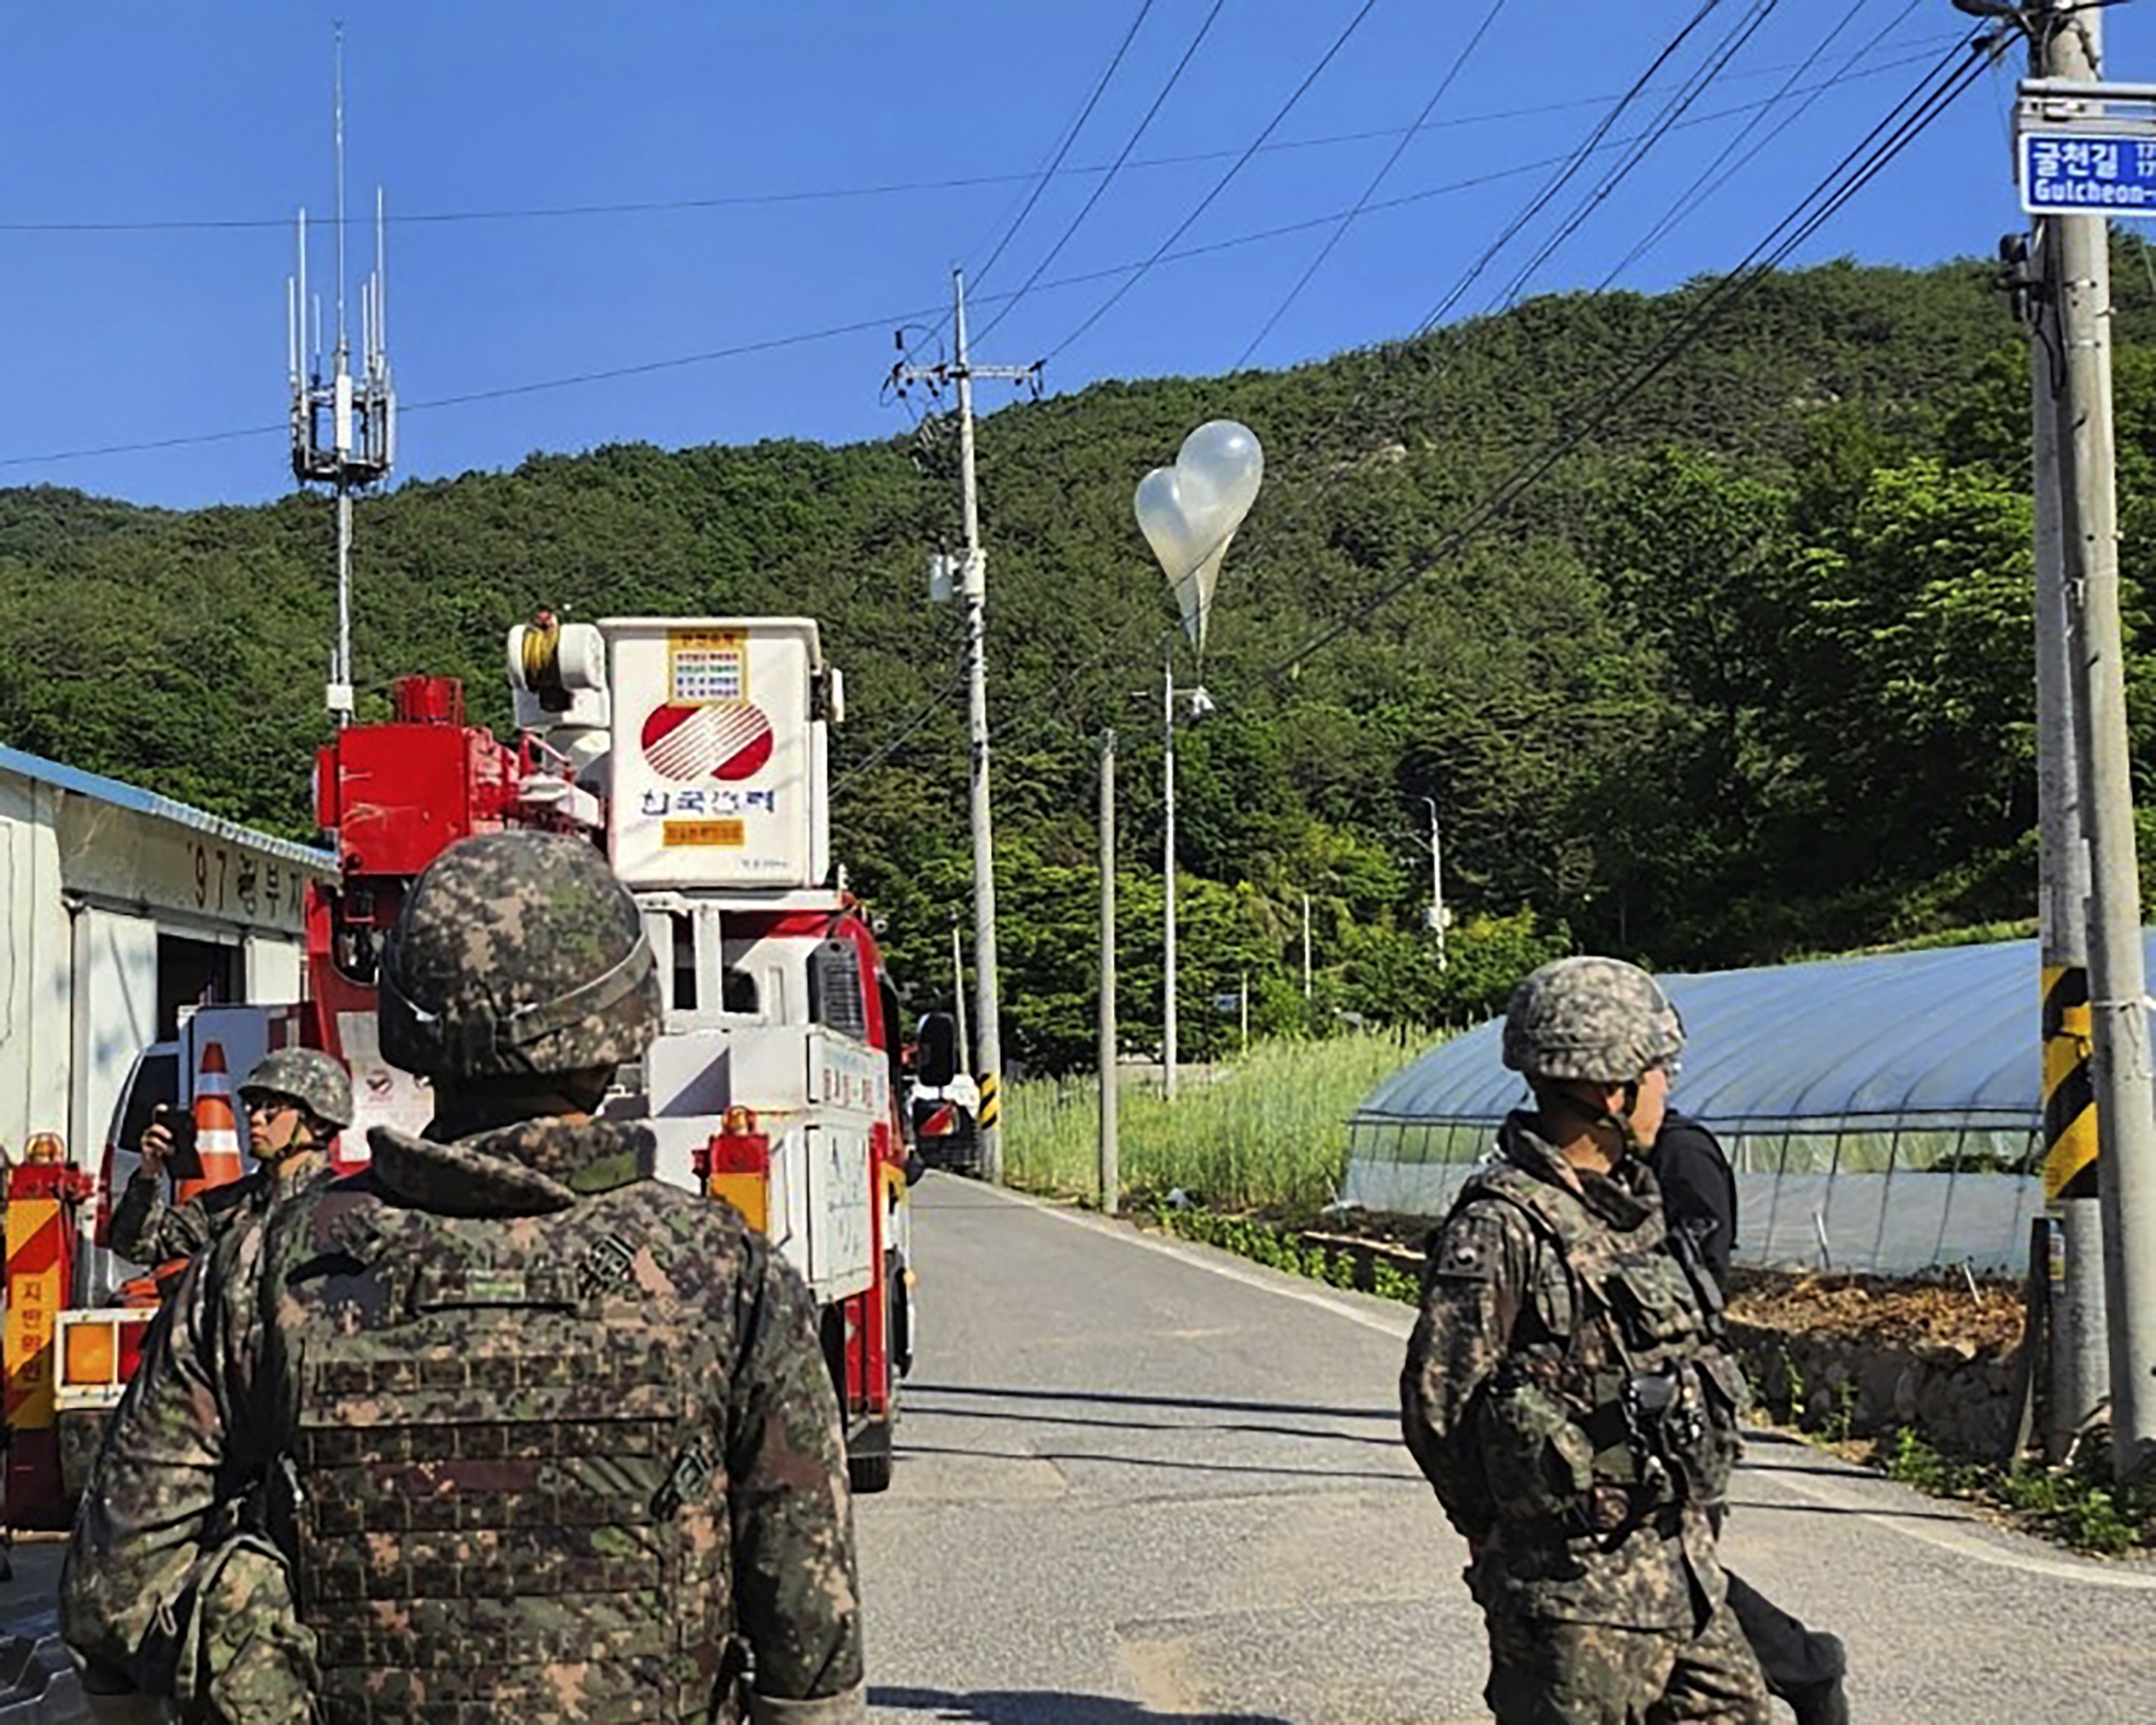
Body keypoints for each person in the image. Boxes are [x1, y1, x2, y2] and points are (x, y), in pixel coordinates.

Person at [63, 831, 866, 1724]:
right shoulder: (727, 1271)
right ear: (625, 1023)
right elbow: (809, 1627)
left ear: (410, 1020)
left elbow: (115, 1584)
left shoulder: (264, 1263)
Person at [1401, 954, 1769, 1724]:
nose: (1668, 1086)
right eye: (1658, 1069)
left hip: (1679, 1574)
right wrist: (1511, 1542)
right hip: (1573, 1602)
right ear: (1610, 1088)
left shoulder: (1633, 1206)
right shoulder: (1503, 1227)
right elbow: (1440, 1406)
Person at [1651, 1108, 1851, 1725]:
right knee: (1649, 1568)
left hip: (1670, 1394)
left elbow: (1701, 1280)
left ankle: (1804, 1666)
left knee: (1665, 1565)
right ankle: (1802, 1666)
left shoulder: (1680, 1153)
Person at [109, 1046, 351, 1267]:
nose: (256, 1118)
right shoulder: (227, 1207)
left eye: (271, 1108)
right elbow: (136, 1246)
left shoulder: (349, 1209)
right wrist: (149, 1173)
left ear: (318, 1123)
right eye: (252, 1106)